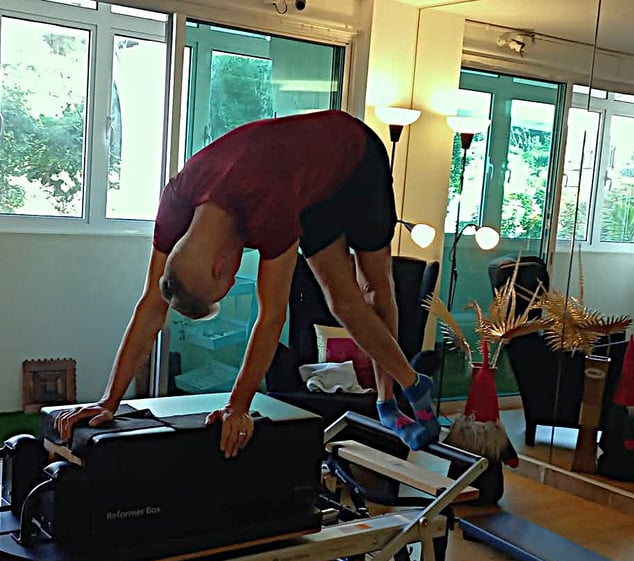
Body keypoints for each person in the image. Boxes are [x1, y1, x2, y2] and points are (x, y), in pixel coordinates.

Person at [55, 109, 440, 457]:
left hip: (355, 160)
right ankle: (405, 390)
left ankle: (391, 396)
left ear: (222, 265)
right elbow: (151, 304)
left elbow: (271, 318)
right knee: (341, 302)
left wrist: (238, 405)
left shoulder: (268, 206)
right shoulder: (176, 205)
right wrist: (109, 400)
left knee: (372, 288)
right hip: (307, 182)